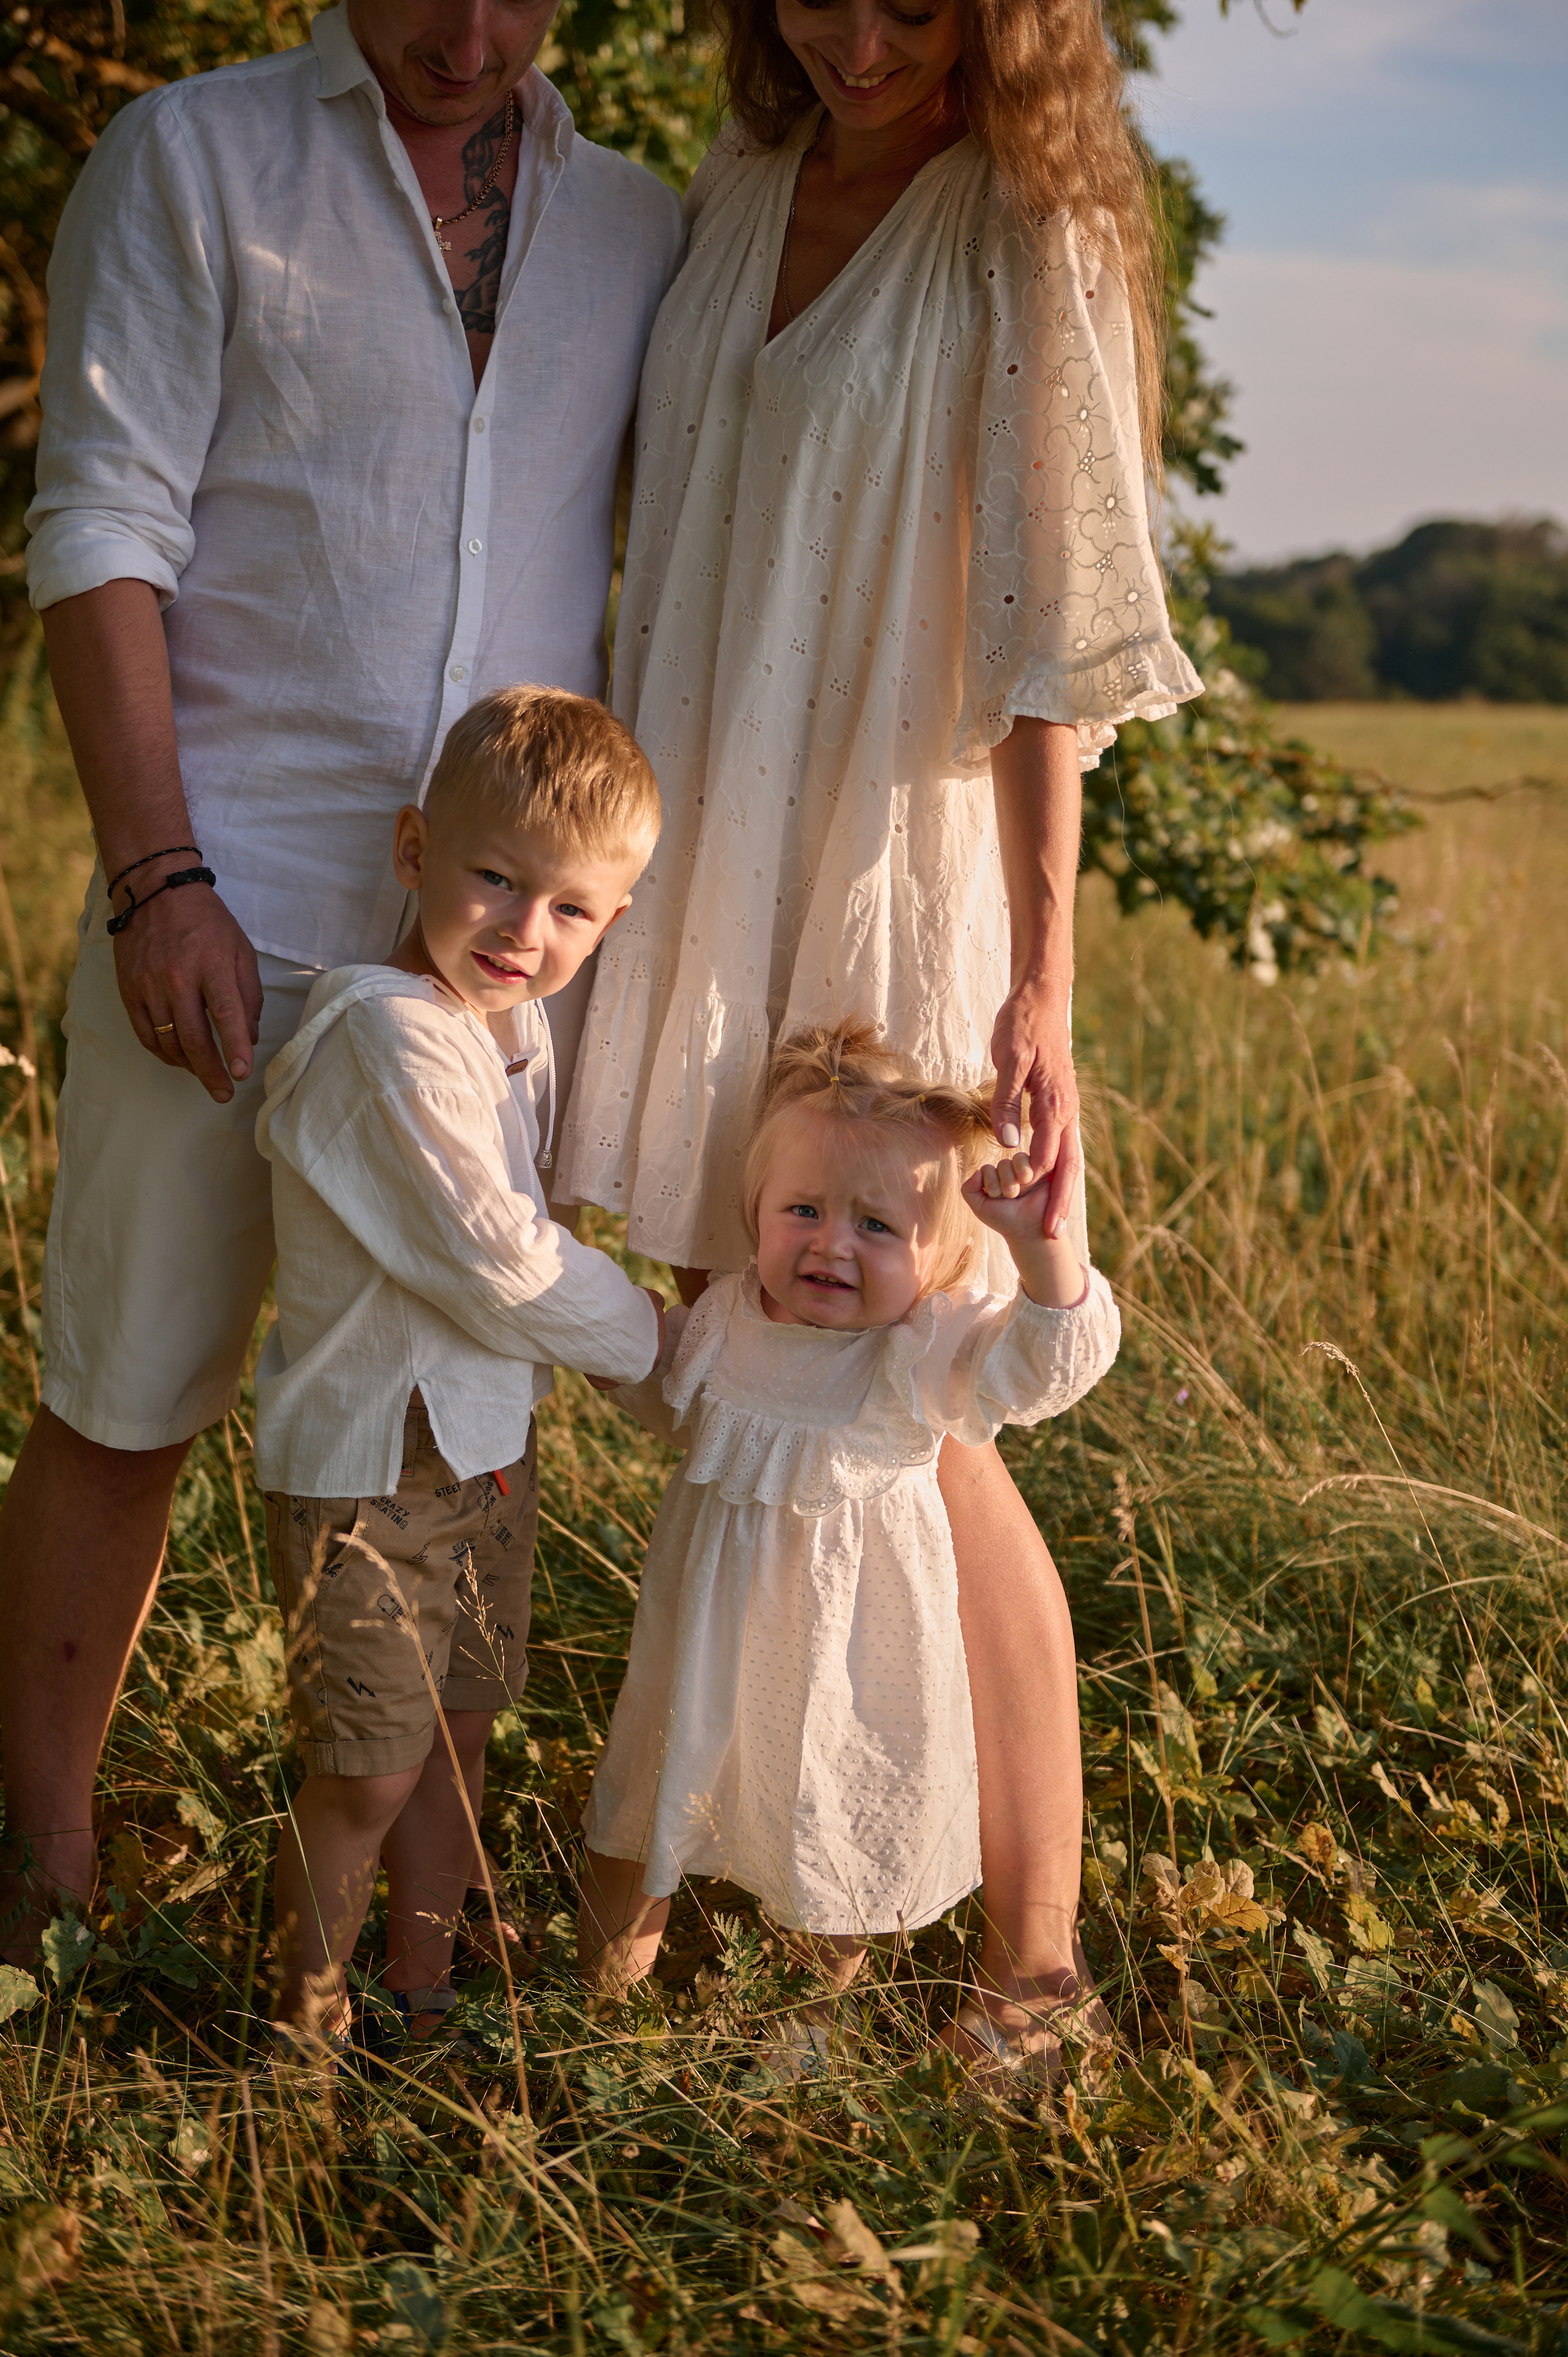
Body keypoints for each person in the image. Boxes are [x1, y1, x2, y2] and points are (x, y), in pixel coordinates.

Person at [554, 0, 1202, 2060]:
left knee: (932, 1438)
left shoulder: (1028, 231)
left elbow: (1051, 642)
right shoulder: (728, 196)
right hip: (707, 877)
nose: (856, 31)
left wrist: (1042, 983)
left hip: (889, 898)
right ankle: (788, 1865)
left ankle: (1032, 1957)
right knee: (770, 1397)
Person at [1, 0, 683, 1954]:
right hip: (224, 919)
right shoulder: (193, 158)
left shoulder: (635, 225)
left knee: (457, 1410)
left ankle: (425, 1935)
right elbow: (103, 522)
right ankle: (40, 1875)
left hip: (488, 983)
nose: (464, 32)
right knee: (127, 1392)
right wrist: (157, 879)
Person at [578, 1021, 1120, 2078]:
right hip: (706, 1644)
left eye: (878, 1226)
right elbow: (655, 1382)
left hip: (853, 1657)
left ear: (941, 1258)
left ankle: (804, 2032)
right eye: (804, 1212)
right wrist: (582, 1313)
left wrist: (1045, 1252)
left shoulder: (923, 1356)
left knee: (832, 1820)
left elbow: (1051, 1371)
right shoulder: (731, 1320)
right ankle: (595, 2018)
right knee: (647, 1809)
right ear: (752, 1215)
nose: (831, 1243)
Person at [255, 685, 666, 2051]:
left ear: (610, 921)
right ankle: (297, 2043)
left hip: (485, 1452)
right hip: (370, 1465)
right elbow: (497, 1256)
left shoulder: (508, 1036)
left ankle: (421, 2005)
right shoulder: (382, 1035)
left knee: (456, 1744)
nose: (523, 930)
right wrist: (654, 1353)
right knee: (366, 1771)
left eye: (569, 908)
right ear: (413, 849)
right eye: (495, 878)